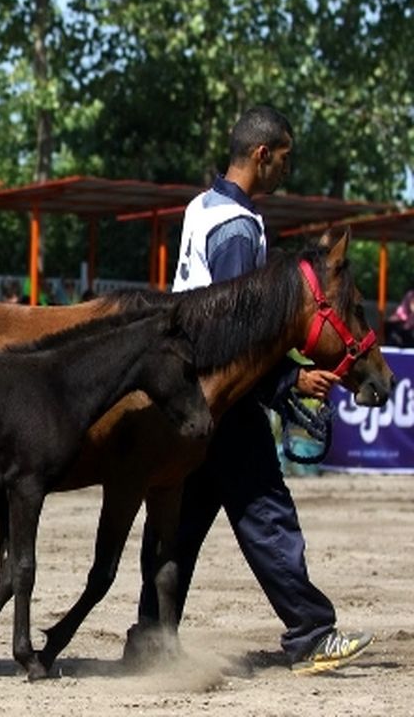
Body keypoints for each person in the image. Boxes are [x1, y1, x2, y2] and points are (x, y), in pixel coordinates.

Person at [128, 105, 371, 674]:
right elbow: (240, 330)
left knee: (179, 523)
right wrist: (287, 379)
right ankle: (311, 634)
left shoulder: (202, 207)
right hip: (226, 397)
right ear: (263, 155)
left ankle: (150, 640)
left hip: (190, 394)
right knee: (265, 510)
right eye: (285, 158)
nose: (287, 169)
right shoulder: (239, 228)